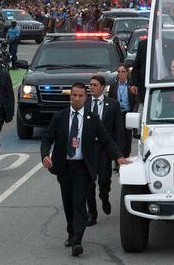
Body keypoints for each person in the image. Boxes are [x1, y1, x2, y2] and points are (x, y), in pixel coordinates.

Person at [40, 82, 130, 258]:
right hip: (64, 166)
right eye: (74, 95)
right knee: (68, 203)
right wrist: (45, 154)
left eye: (81, 96)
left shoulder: (92, 118)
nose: (77, 98)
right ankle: (71, 232)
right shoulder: (60, 117)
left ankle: (77, 241)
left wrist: (118, 157)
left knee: (79, 202)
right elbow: (47, 137)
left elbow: (106, 139)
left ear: (85, 97)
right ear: (70, 96)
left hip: (83, 167)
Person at [86, 75, 124, 221]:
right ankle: (92, 213)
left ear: (102, 87)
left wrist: (118, 153)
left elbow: (118, 130)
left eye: (95, 85)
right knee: (89, 182)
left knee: (103, 180)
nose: (92, 87)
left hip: (105, 149)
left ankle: (104, 196)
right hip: (89, 149)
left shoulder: (113, 104)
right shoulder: (86, 103)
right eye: (90, 85)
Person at [108, 63, 136, 158]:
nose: (121, 74)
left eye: (123, 71)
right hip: (117, 114)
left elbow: (136, 101)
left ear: (127, 73)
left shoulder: (132, 86)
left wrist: (133, 112)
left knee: (127, 137)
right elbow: (110, 100)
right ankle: (118, 159)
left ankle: (126, 156)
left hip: (128, 114)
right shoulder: (113, 86)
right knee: (117, 137)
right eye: (119, 72)